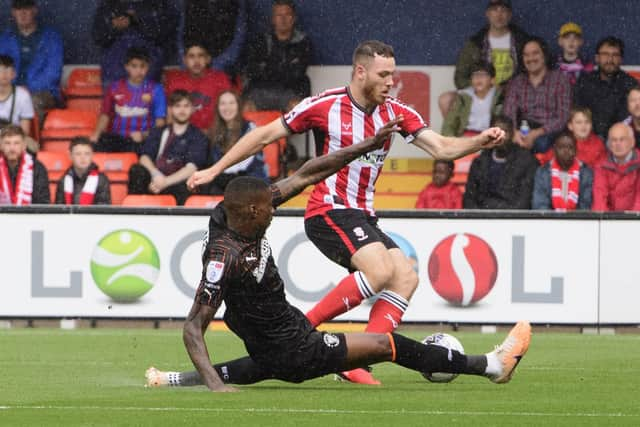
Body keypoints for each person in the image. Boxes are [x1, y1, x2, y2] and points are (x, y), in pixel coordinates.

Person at [188, 40, 506, 384]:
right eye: (383, 74)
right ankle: (305, 330)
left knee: (406, 278)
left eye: (392, 74)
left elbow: (442, 148)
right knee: (381, 270)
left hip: (363, 214)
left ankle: (356, 362)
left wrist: (478, 142)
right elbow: (265, 135)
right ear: (360, 71)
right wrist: (213, 170)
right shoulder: (325, 105)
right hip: (329, 208)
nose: (390, 81)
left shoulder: (397, 113)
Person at [143, 121, 530, 391]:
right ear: (254, 213)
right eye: (270, 207)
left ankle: (171, 379)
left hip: (281, 337)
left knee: (263, 365)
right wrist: (216, 389)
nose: (276, 209)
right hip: (296, 349)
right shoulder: (223, 256)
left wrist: (364, 146)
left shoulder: (239, 208)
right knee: (384, 345)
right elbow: (193, 327)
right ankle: (491, 366)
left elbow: (307, 174)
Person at [439, 0, 529, 117]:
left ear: (510, 14)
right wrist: (483, 87)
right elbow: (460, 78)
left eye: (503, 10)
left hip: (510, 93)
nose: (499, 14)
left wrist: (505, 89)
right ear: (487, 13)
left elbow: (529, 73)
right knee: (446, 99)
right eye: (494, 10)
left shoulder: (522, 41)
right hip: (480, 92)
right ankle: (454, 135)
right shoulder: (475, 42)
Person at [128, 90, 208, 205]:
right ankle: (133, 212)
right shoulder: (158, 131)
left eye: (186, 106)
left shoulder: (198, 136)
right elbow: (144, 157)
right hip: (155, 178)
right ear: (170, 109)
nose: (182, 110)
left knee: (188, 184)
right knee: (137, 170)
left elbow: (191, 168)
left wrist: (165, 182)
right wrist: (156, 175)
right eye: (177, 106)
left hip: (177, 183)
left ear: (192, 109)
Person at [503, 37, 572, 154]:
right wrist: (514, 132)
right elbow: (508, 112)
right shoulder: (517, 82)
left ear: (544, 56)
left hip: (549, 131)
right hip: (524, 129)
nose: (531, 59)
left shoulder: (559, 79)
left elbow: (562, 117)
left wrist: (537, 133)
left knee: (541, 144)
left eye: (535, 53)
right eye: (526, 55)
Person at [91, 47, 167, 153]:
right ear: (127, 67)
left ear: (148, 67)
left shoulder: (156, 89)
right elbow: (105, 115)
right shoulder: (114, 87)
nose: (139, 71)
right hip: (118, 139)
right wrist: (96, 134)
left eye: (143, 66)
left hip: (142, 139)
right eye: (134, 66)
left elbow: (160, 123)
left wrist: (144, 135)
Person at [243, 0, 312, 112]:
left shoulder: (303, 42)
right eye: (279, 15)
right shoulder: (261, 41)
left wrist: (268, 68)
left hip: (289, 93)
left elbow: (297, 75)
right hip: (261, 92)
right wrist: (282, 68)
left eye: (287, 15)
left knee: (297, 108)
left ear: (293, 18)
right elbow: (253, 71)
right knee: (245, 108)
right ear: (273, 19)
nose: (283, 19)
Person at [0, 0, 63, 120]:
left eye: (26, 8)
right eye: (18, 8)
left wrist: (27, 88)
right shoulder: (5, 38)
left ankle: (27, 138)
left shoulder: (51, 37)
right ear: (13, 12)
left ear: (35, 10)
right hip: (9, 90)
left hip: (42, 92)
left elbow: (53, 73)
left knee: (29, 102)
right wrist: (13, 89)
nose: (22, 13)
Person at [92, 0, 179, 86]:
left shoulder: (160, 4)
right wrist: (114, 26)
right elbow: (98, 37)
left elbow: (166, 33)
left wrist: (138, 18)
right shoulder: (108, 4)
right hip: (115, 71)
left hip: (148, 70)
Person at [463, 114, 538, 209]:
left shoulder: (527, 161)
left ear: (512, 134)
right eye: (496, 132)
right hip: (482, 217)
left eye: (505, 132)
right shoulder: (479, 162)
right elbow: (469, 198)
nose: (500, 137)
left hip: (511, 218)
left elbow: (524, 201)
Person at [574, 37, 637, 139]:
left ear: (621, 59)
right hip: (587, 137)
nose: (610, 59)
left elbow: (628, 119)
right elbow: (577, 111)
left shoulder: (630, 84)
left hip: (618, 139)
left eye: (615, 55)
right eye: (605, 54)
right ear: (597, 58)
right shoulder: (584, 81)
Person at [205, 90, 267, 195]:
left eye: (231, 103)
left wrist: (219, 173)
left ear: (238, 106)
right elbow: (213, 162)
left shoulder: (250, 128)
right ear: (218, 108)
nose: (227, 107)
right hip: (224, 182)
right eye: (223, 103)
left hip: (249, 181)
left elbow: (248, 162)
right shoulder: (215, 132)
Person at [164, 42, 233, 131]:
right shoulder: (174, 80)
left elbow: (230, 110)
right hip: (183, 136)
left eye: (200, 56)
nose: (196, 61)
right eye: (191, 56)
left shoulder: (220, 78)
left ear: (208, 59)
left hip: (213, 134)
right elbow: (169, 113)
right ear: (185, 60)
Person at [182, 0, 247, 76]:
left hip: (223, 58)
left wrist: (220, 63)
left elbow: (239, 35)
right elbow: (182, 30)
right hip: (196, 55)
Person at [532, 130, 593, 211]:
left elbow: (585, 206)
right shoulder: (543, 172)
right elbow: (540, 205)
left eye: (570, 147)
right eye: (561, 147)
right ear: (554, 150)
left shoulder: (586, 173)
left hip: (577, 222)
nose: (566, 151)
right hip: (550, 221)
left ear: (576, 151)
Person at [441, 61, 503, 137]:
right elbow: (450, 122)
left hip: (490, 137)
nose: (478, 78)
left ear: (492, 80)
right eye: (475, 75)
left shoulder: (499, 96)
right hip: (466, 137)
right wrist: (450, 140)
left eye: (483, 75)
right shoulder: (464, 96)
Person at [592, 122, 640, 211]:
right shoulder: (601, 166)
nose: (618, 144)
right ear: (609, 144)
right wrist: (607, 221)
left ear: (632, 142)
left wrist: (632, 222)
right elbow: (599, 199)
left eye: (622, 139)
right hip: (610, 221)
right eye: (614, 140)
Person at [0, 124, 48, 204]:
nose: (12, 148)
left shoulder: (37, 168)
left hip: (30, 216)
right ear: (1, 146)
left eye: (16, 143)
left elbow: (43, 202)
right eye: (7, 143)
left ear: (24, 146)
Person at [55, 137, 111, 205]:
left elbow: (103, 209)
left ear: (92, 155)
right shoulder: (63, 180)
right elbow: (59, 209)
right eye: (78, 154)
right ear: (70, 156)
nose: (83, 157)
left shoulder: (102, 179)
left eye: (87, 154)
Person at [0, 55, 36, 152]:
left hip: (15, 137)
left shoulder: (23, 95)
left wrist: (7, 141)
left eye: (8, 69)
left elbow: (25, 131)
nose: (4, 73)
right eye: (1, 69)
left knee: (31, 146)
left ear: (14, 74)